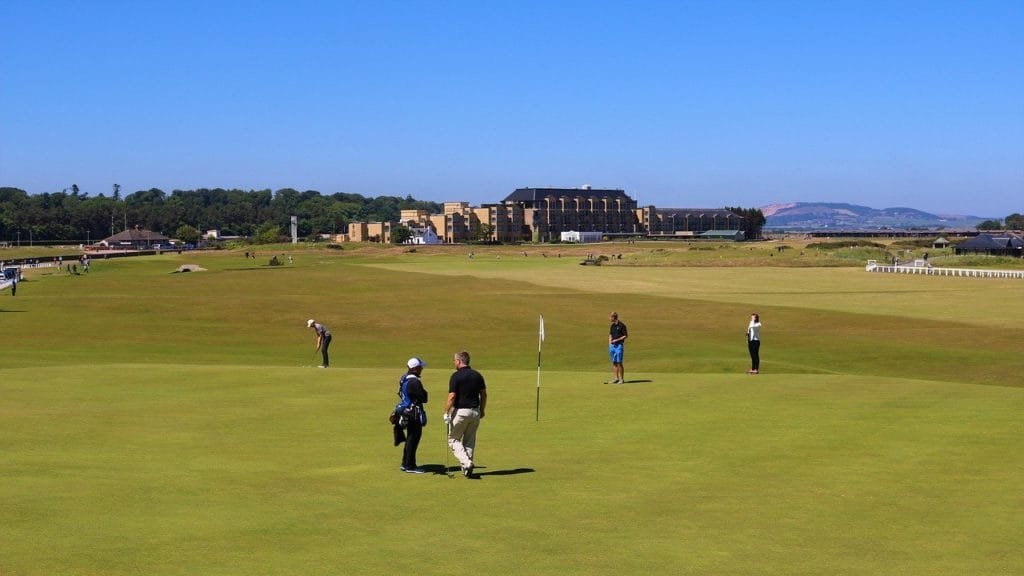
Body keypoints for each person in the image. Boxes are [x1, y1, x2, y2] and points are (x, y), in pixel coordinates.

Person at [443, 350, 487, 478]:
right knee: (469, 441)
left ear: (459, 361)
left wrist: (446, 412)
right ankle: (467, 469)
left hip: (461, 412)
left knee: (453, 440)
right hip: (475, 412)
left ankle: (467, 463)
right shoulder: (477, 375)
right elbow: (483, 394)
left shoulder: (456, 376)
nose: (454, 363)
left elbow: (452, 396)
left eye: (454, 360)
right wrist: (482, 410)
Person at [393, 357, 429, 474]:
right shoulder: (415, 382)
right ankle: (410, 465)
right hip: (413, 413)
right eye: (420, 367)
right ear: (415, 368)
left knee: (410, 438)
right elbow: (424, 398)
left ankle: (405, 463)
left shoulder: (404, 378)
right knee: (413, 439)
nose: (422, 368)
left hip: (405, 411)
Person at [608, 312, 628, 384]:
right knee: (614, 362)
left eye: (610, 317)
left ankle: (621, 379)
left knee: (619, 362)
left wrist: (617, 340)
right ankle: (616, 378)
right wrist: (610, 344)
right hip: (612, 346)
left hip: (619, 345)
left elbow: (625, 336)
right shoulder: (612, 326)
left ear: (614, 317)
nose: (609, 318)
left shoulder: (622, 325)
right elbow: (610, 334)